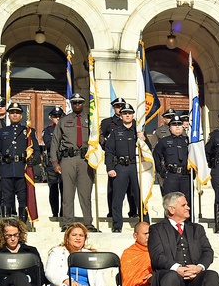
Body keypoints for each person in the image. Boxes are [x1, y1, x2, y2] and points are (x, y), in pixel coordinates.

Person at [147, 192, 219, 286]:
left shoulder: (197, 229)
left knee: (212, 276)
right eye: (184, 205)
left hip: (194, 275)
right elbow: (157, 256)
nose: (188, 208)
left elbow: (207, 251)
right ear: (171, 209)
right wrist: (177, 268)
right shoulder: (156, 229)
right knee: (170, 277)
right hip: (170, 275)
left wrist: (199, 267)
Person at [43, 222, 107, 286]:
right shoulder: (58, 252)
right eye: (74, 235)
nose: (78, 238)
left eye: (81, 235)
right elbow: (49, 272)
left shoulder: (90, 255)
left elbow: (98, 276)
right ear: (67, 238)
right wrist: (65, 280)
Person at [50, 93, 96, 231]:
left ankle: (88, 223)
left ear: (83, 104)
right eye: (74, 103)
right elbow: (55, 143)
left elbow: (97, 139)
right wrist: (54, 163)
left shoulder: (90, 120)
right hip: (68, 159)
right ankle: (67, 223)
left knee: (85, 194)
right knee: (68, 194)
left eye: (79, 102)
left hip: (85, 160)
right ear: (71, 104)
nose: (77, 105)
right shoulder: (64, 121)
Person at [0, 102, 41, 223]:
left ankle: (23, 224)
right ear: (8, 115)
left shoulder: (28, 132)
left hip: (22, 169)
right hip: (6, 169)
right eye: (12, 113)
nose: (15, 115)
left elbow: (37, 150)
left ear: (21, 116)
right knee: (6, 198)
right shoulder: (2, 132)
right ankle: (6, 224)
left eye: (17, 113)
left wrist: (33, 160)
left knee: (23, 198)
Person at [104, 103, 146, 233]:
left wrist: (144, 139)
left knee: (140, 197)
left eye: (129, 113)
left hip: (136, 167)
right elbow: (109, 151)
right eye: (124, 113)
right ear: (121, 116)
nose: (127, 115)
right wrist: (110, 168)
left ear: (133, 115)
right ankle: (117, 226)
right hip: (120, 167)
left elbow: (148, 150)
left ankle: (145, 223)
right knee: (117, 198)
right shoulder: (116, 132)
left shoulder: (138, 131)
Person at [120, 221, 160, 286]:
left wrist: (154, 277)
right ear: (135, 236)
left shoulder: (158, 252)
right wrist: (142, 282)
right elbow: (127, 278)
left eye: (151, 233)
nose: (149, 236)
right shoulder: (129, 253)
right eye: (145, 234)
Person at [153, 113, 192, 209]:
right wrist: (161, 172)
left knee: (186, 203)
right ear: (169, 128)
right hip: (170, 175)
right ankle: (169, 223)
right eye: (174, 125)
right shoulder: (164, 141)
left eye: (179, 124)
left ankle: (186, 223)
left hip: (185, 176)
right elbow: (156, 156)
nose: (177, 127)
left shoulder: (189, 141)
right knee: (170, 202)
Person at [41, 106, 64, 220]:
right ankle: (55, 213)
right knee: (54, 189)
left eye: (60, 116)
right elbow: (49, 144)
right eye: (55, 116)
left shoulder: (66, 128)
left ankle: (64, 213)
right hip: (52, 163)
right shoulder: (48, 130)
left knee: (65, 189)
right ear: (51, 117)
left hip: (65, 161)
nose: (58, 118)